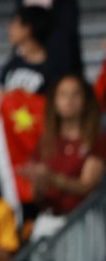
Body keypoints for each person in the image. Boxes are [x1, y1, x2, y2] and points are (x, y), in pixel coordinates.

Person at [19, 75, 105, 228]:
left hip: (83, 221)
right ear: (54, 101)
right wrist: (37, 181)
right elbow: (37, 196)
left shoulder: (97, 139)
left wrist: (52, 178)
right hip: (49, 219)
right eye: (63, 94)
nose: (69, 100)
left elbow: (87, 186)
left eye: (75, 94)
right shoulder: (46, 140)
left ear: (86, 100)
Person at [0, 6, 54, 110]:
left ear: (28, 29)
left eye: (15, 24)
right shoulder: (14, 62)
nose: (9, 28)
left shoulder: (52, 67)